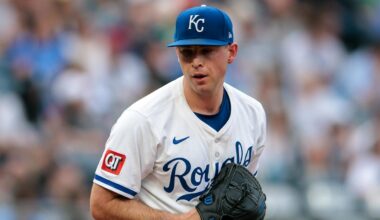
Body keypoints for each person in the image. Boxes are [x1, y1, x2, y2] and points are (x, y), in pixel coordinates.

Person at [90, 4, 267, 220]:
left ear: (231, 52)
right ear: (177, 53)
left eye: (206, 51)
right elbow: (101, 205)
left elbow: (244, 196)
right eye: (187, 52)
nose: (196, 62)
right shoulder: (142, 119)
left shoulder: (253, 113)